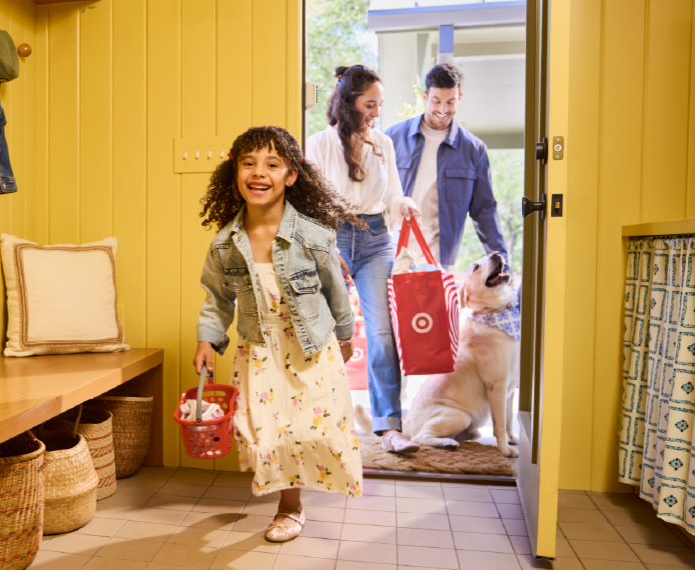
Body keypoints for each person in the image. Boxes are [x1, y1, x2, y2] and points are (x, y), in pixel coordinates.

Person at [194, 126, 364, 543]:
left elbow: (336, 292)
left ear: (291, 175)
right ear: (234, 172)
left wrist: (345, 338)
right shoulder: (224, 245)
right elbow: (217, 299)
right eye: (248, 163)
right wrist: (206, 339)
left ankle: (292, 505)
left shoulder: (313, 236)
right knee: (269, 430)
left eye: (272, 164)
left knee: (312, 426)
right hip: (258, 347)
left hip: (310, 344)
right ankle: (289, 506)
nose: (259, 172)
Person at [306, 65, 422, 454]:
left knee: (382, 334)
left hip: (375, 239)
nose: (376, 112)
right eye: (370, 104)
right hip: (332, 236)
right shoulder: (320, 144)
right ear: (349, 102)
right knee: (325, 332)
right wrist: (327, 245)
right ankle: (320, 422)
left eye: (379, 105)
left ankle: (389, 427)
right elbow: (313, 202)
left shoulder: (383, 144)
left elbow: (392, 196)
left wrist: (404, 204)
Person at [385, 63, 507, 271]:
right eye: (436, 101)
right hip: (391, 253)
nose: (443, 110)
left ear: (459, 98)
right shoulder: (393, 138)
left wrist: (502, 263)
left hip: (438, 261)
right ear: (425, 97)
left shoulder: (473, 149)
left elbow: (484, 210)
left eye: (450, 101)